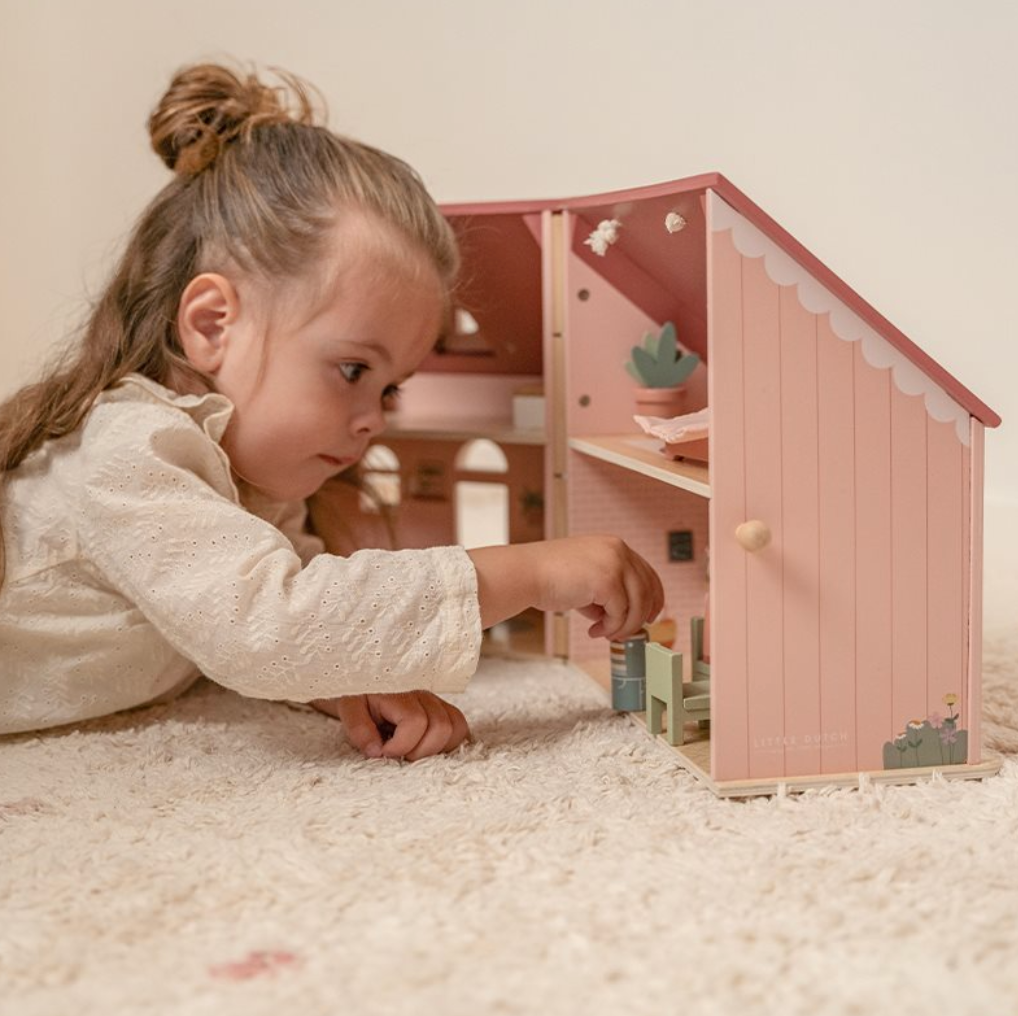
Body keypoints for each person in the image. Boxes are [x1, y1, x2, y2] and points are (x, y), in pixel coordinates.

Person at [0, 62, 663, 760]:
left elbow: (283, 627)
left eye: (389, 389)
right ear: (213, 324)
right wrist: (533, 572)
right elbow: (270, 623)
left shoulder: (254, 475)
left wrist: (346, 680)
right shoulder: (130, 449)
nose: (374, 418)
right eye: (352, 370)